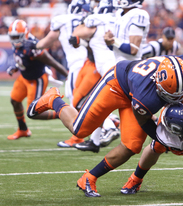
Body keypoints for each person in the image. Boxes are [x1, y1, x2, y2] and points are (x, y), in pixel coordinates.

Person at [27, 54, 183, 197]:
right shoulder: (146, 99)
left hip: (135, 91)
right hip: (116, 85)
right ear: (159, 86)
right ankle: (53, 98)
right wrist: (167, 141)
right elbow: (147, 124)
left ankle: (88, 178)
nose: (176, 99)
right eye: (171, 96)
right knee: (80, 129)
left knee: (132, 145)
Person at [33, 0, 96, 147]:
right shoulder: (90, 20)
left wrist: (34, 45)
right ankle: (105, 125)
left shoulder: (62, 20)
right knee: (86, 99)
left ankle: (81, 136)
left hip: (77, 65)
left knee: (75, 100)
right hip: (90, 63)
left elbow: (46, 42)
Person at [68, 0, 120, 153]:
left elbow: (76, 33)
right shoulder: (118, 20)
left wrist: (83, 22)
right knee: (100, 102)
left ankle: (110, 126)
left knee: (101, 103)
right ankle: (95, 142)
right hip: (117, 66)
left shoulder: (97, 20)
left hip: (107, 69)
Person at [7, 19, 68, 140]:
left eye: (17, 37)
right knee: (14, 100)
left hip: (36, 79)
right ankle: (23, 130)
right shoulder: (20, 42)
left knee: (34, 113)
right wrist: (16, 67)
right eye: (12, 37)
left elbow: (52, 62)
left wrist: (69, 76)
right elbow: (21, 57)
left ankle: (63, 113)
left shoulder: (33, 46)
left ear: (25, 34)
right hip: (24, 77)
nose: (14, 40)